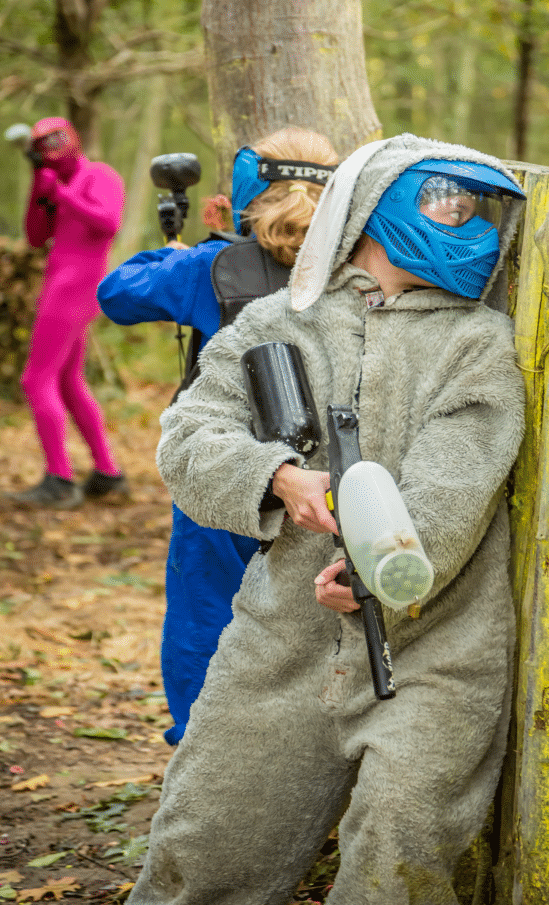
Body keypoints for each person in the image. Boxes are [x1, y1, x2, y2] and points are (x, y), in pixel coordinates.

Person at [126, 133, 528, 905]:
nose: (467, 222)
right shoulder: (277, 322)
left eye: (478, 208)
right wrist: (275, 477)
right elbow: (188, 436)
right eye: (447, 203)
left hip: (438, 651)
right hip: (280, 640)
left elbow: (456, 474)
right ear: (374, 208)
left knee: (400, 849)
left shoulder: (479, 343)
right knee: (206, 843)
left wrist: (389, 569)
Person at [97, 126, 340, 745]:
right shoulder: (359, 266)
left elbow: (118, 293)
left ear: (245, 192)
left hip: (228, 474)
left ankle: (201, 748)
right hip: (332, 479)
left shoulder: (215, 267)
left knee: (205, 616)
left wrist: (202, 246)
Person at [6, 117, 127, 510]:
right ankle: (108, 474)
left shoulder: (99, 174)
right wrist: (39, 192)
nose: (51, 148)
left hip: (76, 285)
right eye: (42, 144)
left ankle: (59, 479)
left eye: (57, 139)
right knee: (68, 381)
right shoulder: (56, 183)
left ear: (74, 138)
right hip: (60, 281)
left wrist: (62, 195)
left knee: (35, 378)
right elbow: (36, 236)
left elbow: (108, 222)